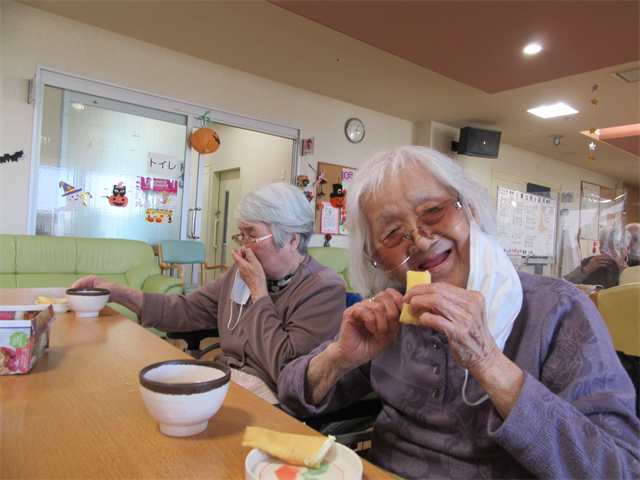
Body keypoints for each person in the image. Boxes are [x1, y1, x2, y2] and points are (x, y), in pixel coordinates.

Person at [278, 146, 640, 480]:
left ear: (471, 211)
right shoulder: (388, 313)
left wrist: (489, 362)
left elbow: (620, 468)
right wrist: (339, 357)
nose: (420, 240)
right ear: (378, 262)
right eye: (392, 233)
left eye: (433, 210)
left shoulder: (557, 309)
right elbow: (291, 393)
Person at [73, 183, 345, 404]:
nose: (243, 248)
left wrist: (259, 293)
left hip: (273, 400)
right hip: (226, 380)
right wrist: (120, 293)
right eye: (241, 236)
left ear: (292, 239)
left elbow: (286, 368)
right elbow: (188, 309)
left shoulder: (323, 288)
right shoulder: (239, 276)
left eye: (252, 236)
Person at [563, 226, 632, 288]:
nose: (610, 252)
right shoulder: (591, 262)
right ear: (600, 248)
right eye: (606, 247)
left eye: (616, 247)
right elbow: (564, 284)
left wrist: (624, 267)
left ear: (628, 249)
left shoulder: (636, 263)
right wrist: (586, 270)